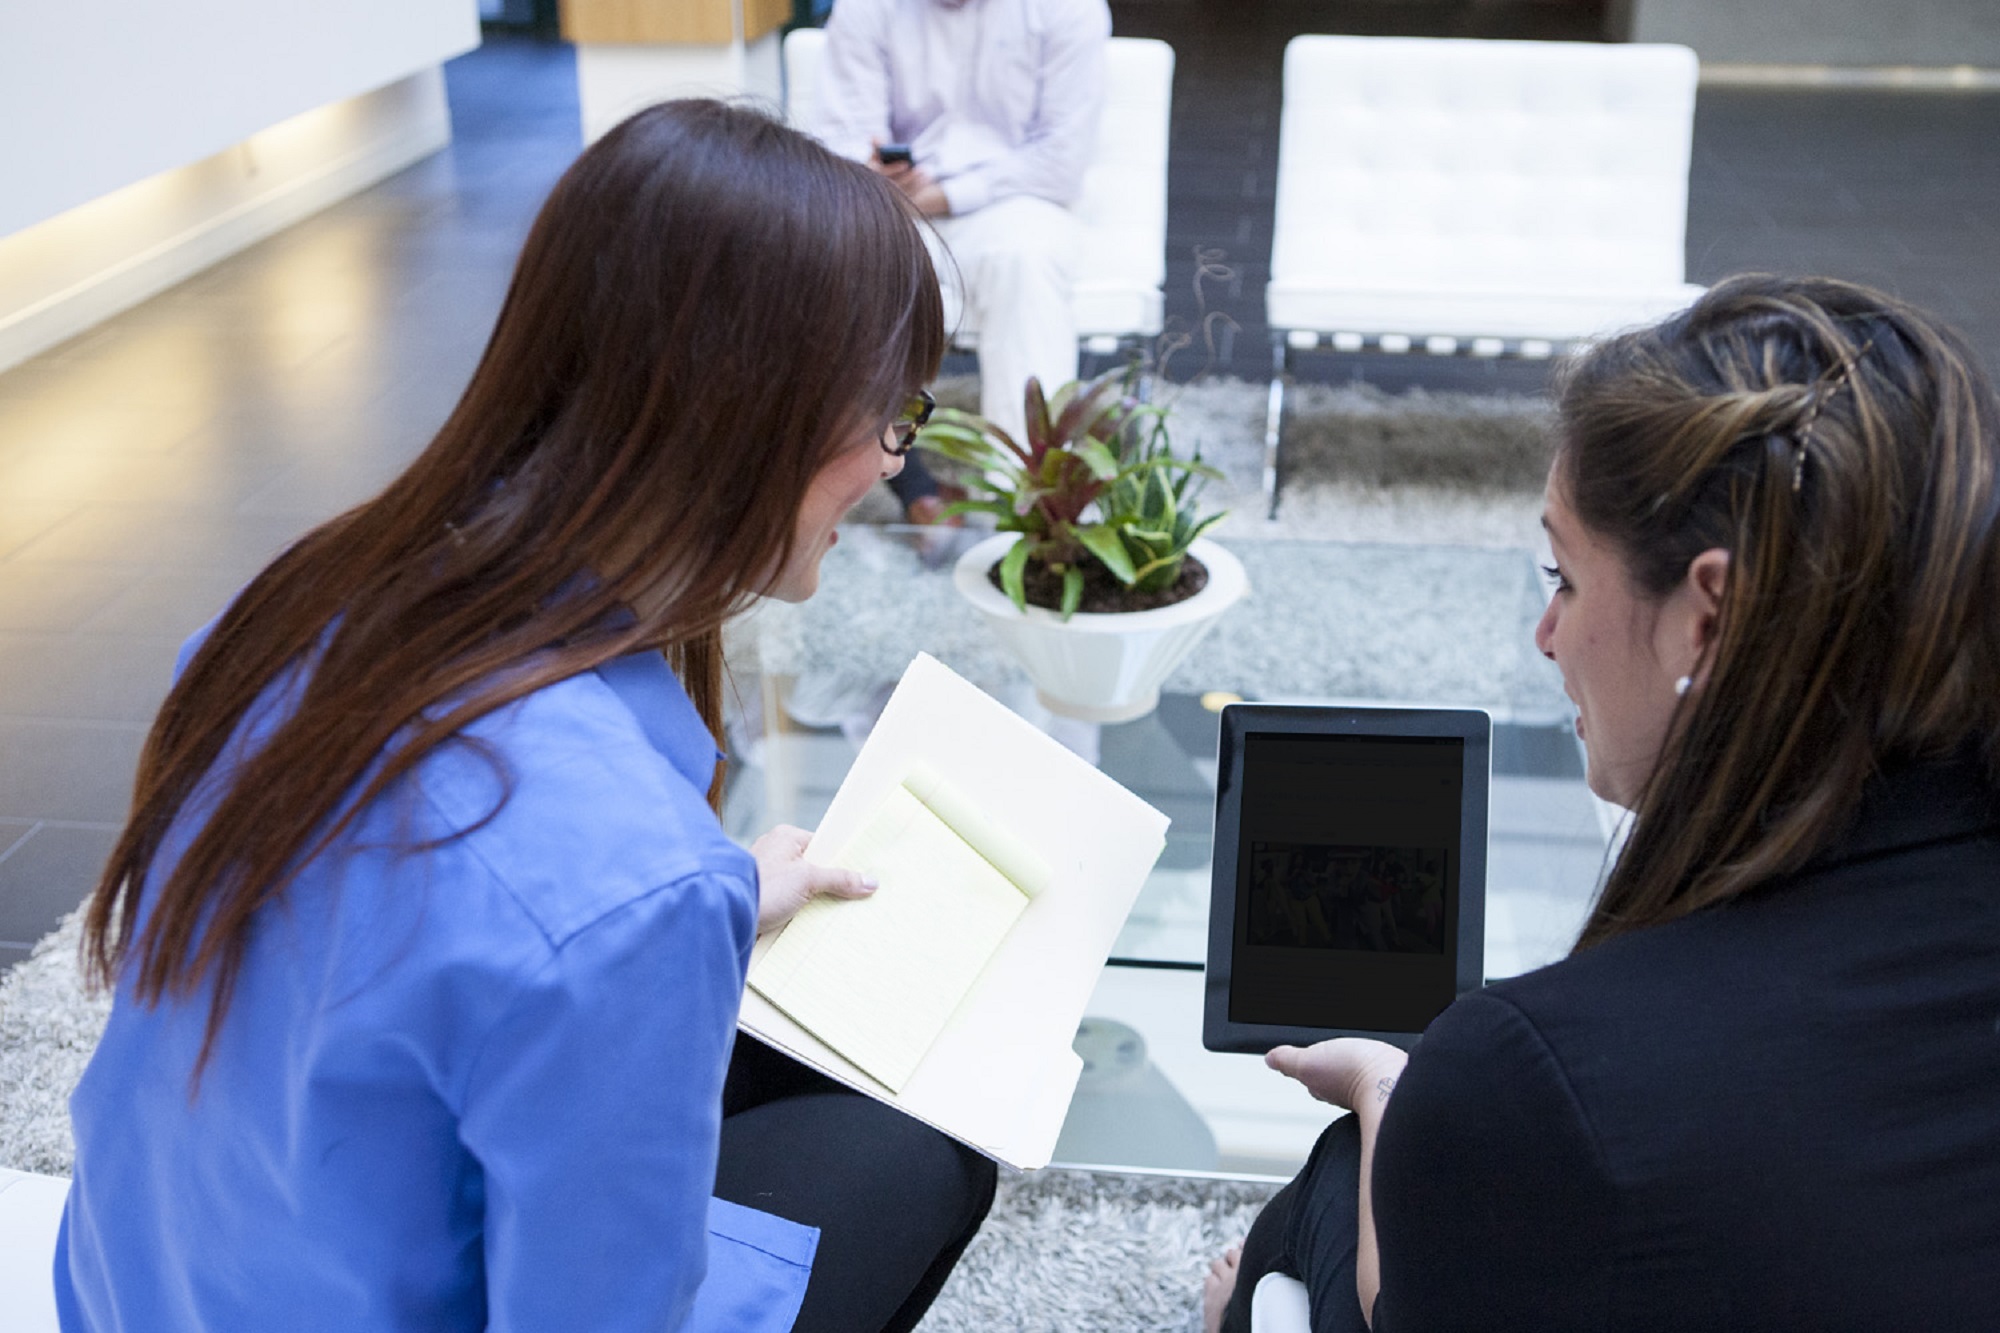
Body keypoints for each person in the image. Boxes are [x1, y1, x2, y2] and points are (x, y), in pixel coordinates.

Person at [56, 100, 994, 1333]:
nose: (889, 462)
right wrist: (669, 907)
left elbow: (410, 918)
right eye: (890, 416)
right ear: (752, 415)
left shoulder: (286, 611)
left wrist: (707, 896)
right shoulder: (623, 883)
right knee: (927, 1145)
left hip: (145, 1290)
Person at [1204, 274, 2000, 1332]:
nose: (1545, 636)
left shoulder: (1538, 1082)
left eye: (1563, 576)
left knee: (1337, 1178)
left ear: (1702, 616)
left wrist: (1393, 1094)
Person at [808, 0, 1112, 448]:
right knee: (826, 253)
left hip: (1014, 202)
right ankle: (856, 475)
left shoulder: (1069, 8)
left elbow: (1060, 161)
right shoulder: (865, 7)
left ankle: (1025, 495)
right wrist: (877, 174)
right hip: (890, 209)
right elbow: (840, 141)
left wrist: (939, 196)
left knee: (1026, 260)